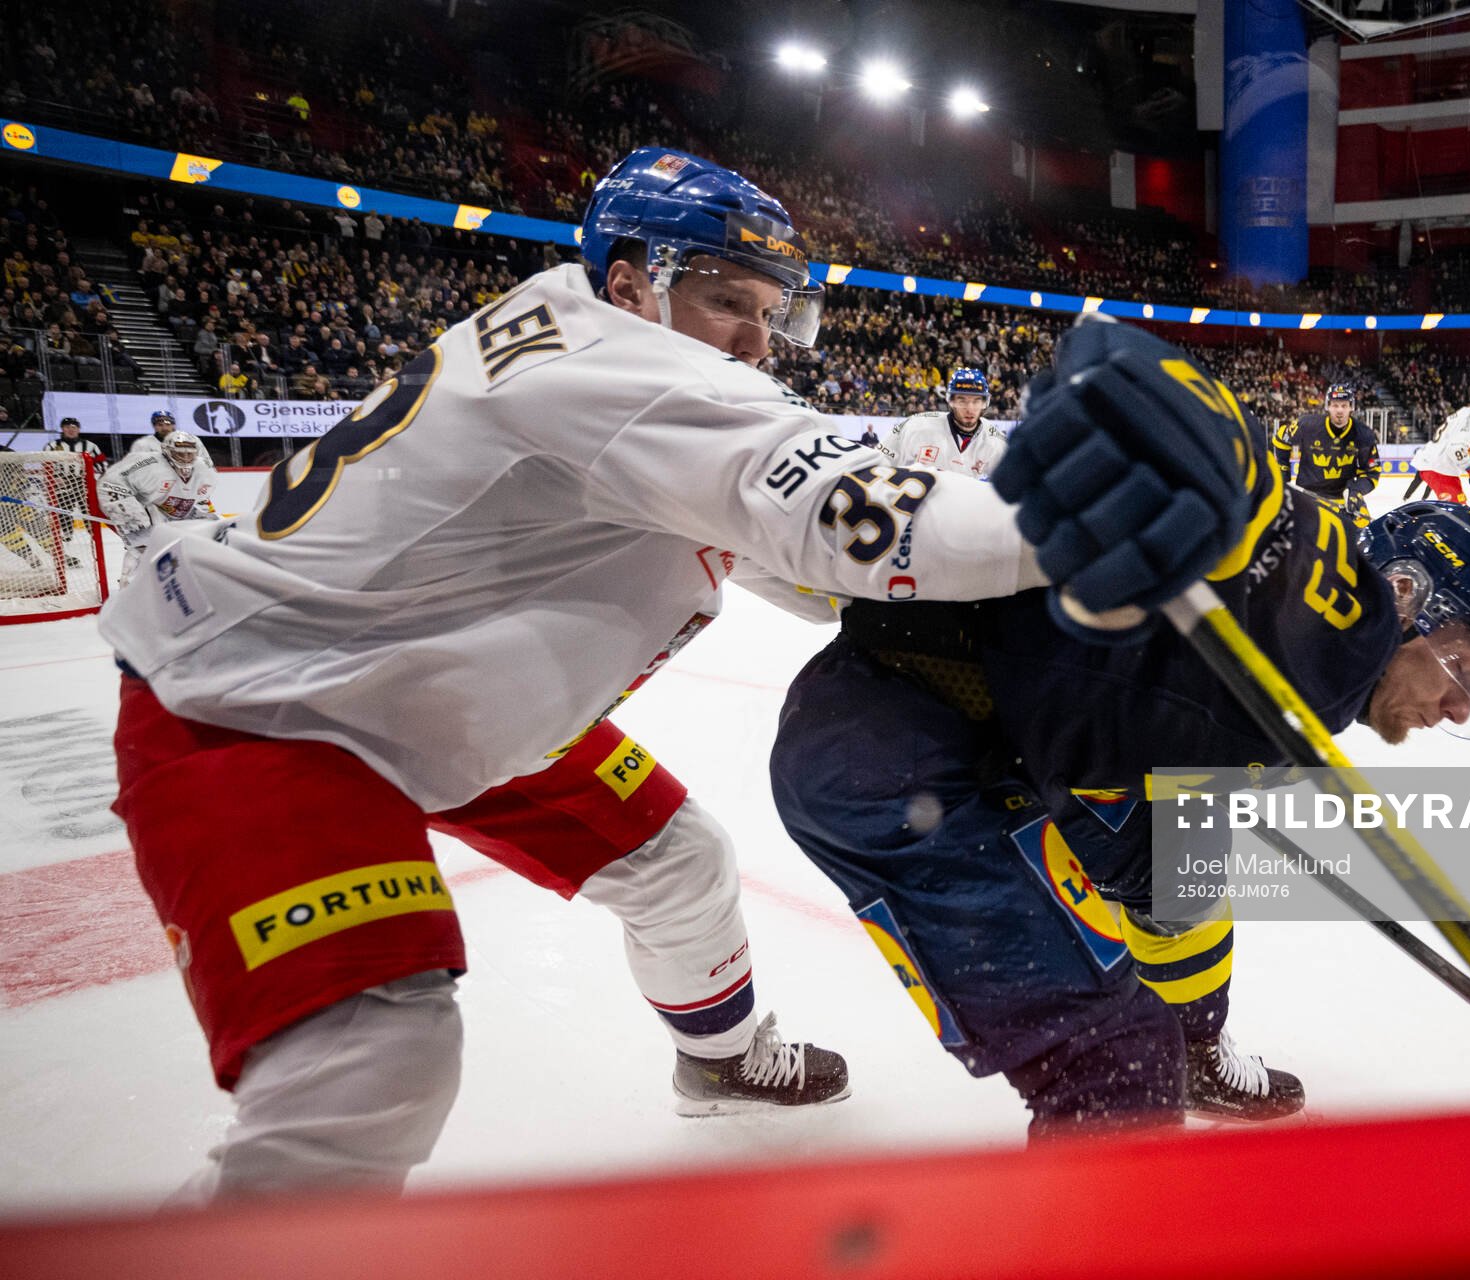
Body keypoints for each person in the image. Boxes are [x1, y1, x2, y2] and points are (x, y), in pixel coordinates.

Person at [95, 146, 1067, 1200]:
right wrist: (1093, 527)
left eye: (769, 308)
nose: (755, 336)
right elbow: (845, 518)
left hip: (411, 684)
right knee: (367, 1065)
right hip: (271, 706)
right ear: (629, 282)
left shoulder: (585, 346)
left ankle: (719, 1054)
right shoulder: (613, 367)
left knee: (677, 861)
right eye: (723, 298)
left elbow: (782, 551)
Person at [771, 484, 1470, 1135]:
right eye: (1462, 669)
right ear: (1404, 592)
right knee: (1117, 1062)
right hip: (895, 753)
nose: (1453, 705)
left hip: (977, 733)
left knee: (1193, 851)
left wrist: (1205, 770)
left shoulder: (1303, 625)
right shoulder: (1288, 643)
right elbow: (1072, 719)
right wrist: (1203, 758)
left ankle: (1197, 1049)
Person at [98, 432, 221, 585]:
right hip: (142, 506)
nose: (185, 458)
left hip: (169, 507)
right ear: (167, 451)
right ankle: (130, 586)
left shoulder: (203, 469)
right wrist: (129, 511)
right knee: (144, 544)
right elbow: (111, 483)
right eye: (180, 453)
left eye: (190, 454)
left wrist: (206, 516)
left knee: (212, 535)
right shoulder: (148, 463)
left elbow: (201, 500)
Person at [1272, 384, 1380, 525]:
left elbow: (1371, 473)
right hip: (1308, 498)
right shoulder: (1307, 426)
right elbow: (1281, 439)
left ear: (1351, 407)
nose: (1339, 410)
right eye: (1335, 405)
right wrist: (1283, 473)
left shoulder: (1364, 435)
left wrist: (1355, 492)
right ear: (1327, 406)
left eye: (1344, 405)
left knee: (1365, 539)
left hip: (1344, 499)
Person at [878, 367, 1006, 478]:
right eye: (962, 400)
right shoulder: (915, 426)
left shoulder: (996, 442)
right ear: (951, 401)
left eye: (976, 401)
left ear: (984, 403)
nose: (970, 408)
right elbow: (879, 464)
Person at [1409, 386, 1470, 504]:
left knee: (1458, 510)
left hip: (1437, 466)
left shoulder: (1465, 412)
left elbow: (1455, 442)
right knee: (1458, 513)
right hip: (1439, 468)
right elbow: (1455, 449)